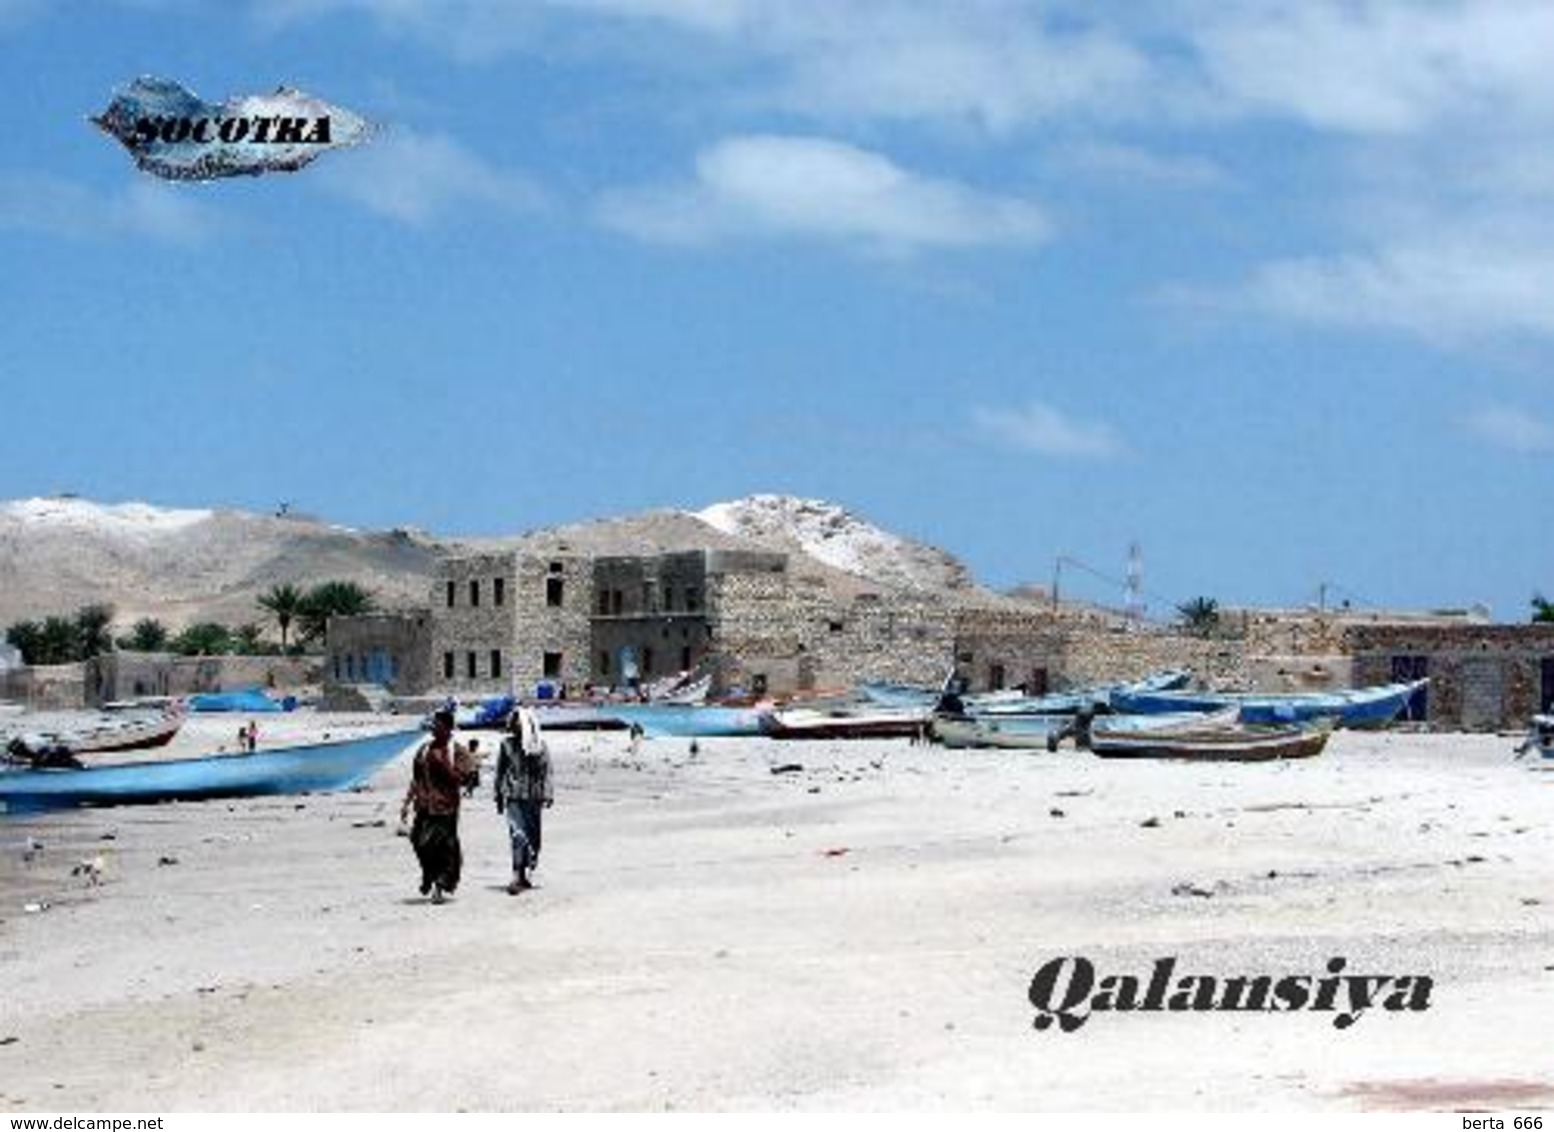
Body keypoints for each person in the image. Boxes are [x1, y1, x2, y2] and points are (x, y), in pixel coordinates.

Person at [400, 708, 478, 904]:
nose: (433, 728)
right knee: (418, 841)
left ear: (448, 728)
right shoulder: (424, 749)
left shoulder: (457, 752)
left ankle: (439, 885)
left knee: (442, 846)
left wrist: (445, 767)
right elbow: (416, 779)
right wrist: (407, 802)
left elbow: (466, 779)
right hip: (424, 805)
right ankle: (429, 874)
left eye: (437, 725)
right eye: (433, 724)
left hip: (446, 807)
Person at [495, 704, 552, 895]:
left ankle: (526, 873)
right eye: (514, 722)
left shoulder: (540, 746)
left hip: (534, 797)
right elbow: (500, 772)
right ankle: (517, 874)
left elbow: (547, 772)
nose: (515, 725)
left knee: (534, 838)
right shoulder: (506, 745)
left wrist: (548, 793)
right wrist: (498, 796)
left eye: (519, 722)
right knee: (517, 835)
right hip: (513, 796)